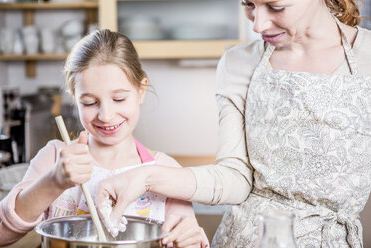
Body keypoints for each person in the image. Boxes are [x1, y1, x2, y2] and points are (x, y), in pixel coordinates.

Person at [95, 0, 371, 247]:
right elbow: (235, 177)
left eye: (276, 7)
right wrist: (145, 177)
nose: (258, 24)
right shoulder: (239, 62)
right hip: (244, 239)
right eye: (248, 4)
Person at [0, 29, 209, 248]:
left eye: (118, 99)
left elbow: (185, 236)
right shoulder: (54, 158)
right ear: (75, 99)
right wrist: (53, 182)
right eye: (90, 102)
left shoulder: (166, 172)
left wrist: (189, 240)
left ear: (141, 90)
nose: (106, 115)